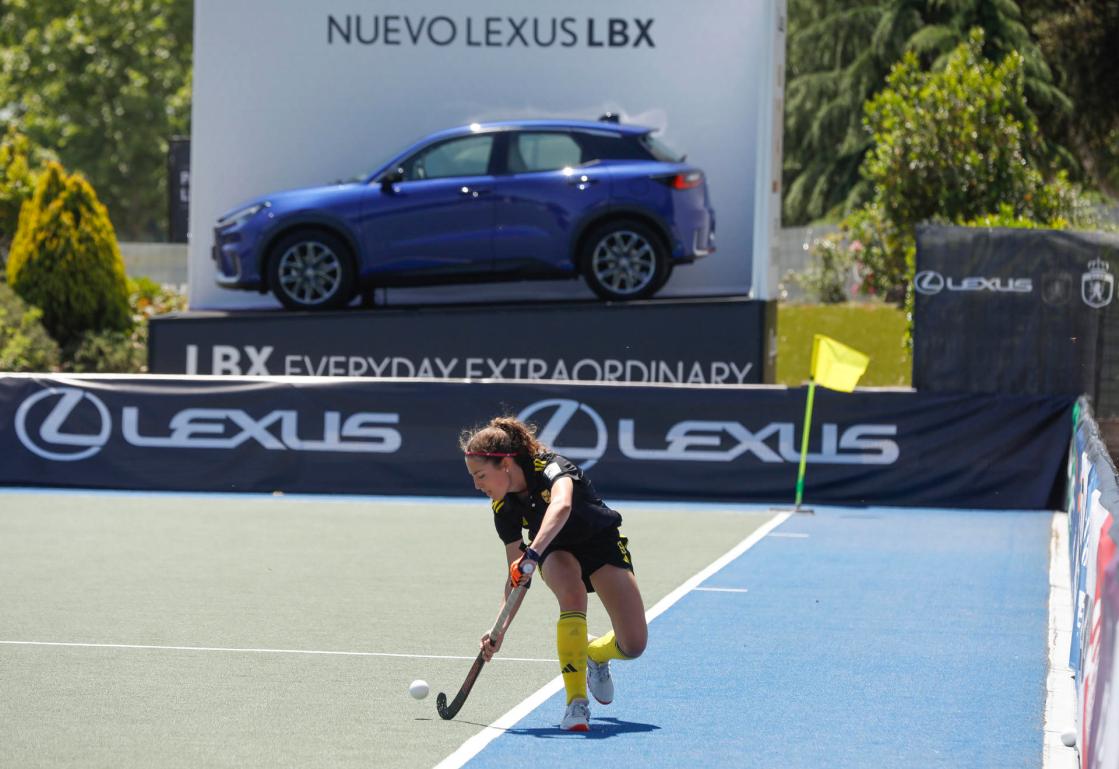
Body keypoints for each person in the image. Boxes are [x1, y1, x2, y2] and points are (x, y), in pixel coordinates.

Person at [461, 415, 648, 732]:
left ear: (505, 464)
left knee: (634, 645)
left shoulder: (550, 467)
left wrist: (532, 552)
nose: (477, 485)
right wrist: (500, 630)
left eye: (481, 476)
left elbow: (560, 506)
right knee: (571, 595)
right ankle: (576, 704)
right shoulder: (503, 509)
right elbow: (516, 576)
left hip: (599, 544)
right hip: (555, 552)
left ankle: (593, 652)